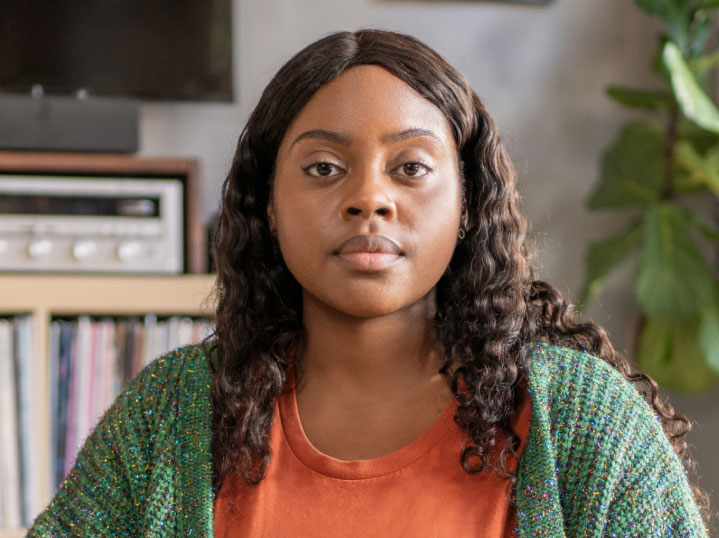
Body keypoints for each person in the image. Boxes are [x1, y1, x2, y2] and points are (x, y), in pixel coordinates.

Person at [28, 29, 708, 537]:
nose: (369, 199)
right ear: (267, 202)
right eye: (323, 168)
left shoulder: (585, 422)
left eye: (409, 168)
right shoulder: (170, 415)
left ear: (468, 200)